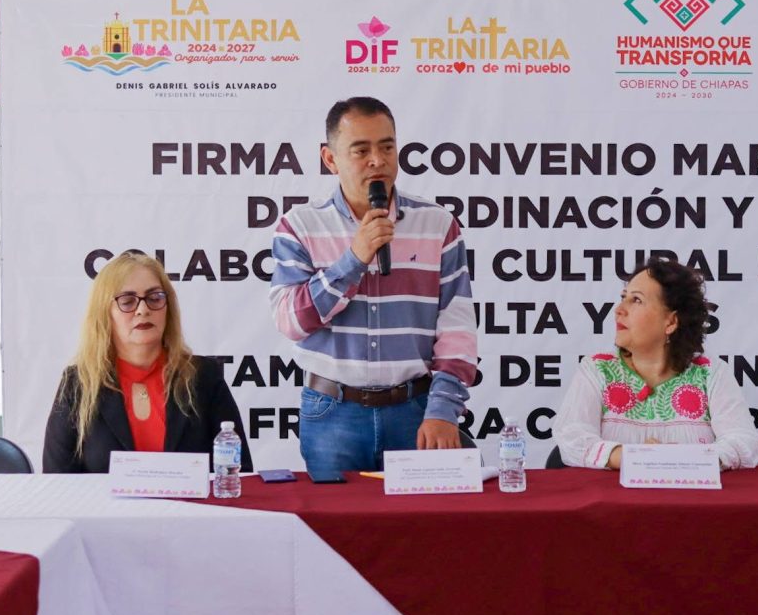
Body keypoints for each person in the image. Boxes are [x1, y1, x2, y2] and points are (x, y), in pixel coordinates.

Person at [270, 96, 477, 472]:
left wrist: (443, 410)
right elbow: (292, 322)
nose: (377, 160)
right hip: (332, 413)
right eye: (361, 150)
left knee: (425, 511)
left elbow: (457, 329)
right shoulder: (299, 226)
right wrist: (354, 259)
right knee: (334, 512)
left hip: (417, 411)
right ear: (330, 159)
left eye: (387, 147)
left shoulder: (437, 224)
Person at [44, 252, 252, 473]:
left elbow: (240, 472)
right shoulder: (79, 383)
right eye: (127, 301)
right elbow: (57, 479)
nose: (143, 310)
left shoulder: (203, 377)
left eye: (154, 298)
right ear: (104, 313)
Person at [553, 257, 758, 470]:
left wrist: (690, 458)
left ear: (671, 322)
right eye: (623, 297)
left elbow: (745, 443)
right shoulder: (597, 369)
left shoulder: (710, 373)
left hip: (690, 492)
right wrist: (633, 457)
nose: (619, 309)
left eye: (636, 300)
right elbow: (572, 439)